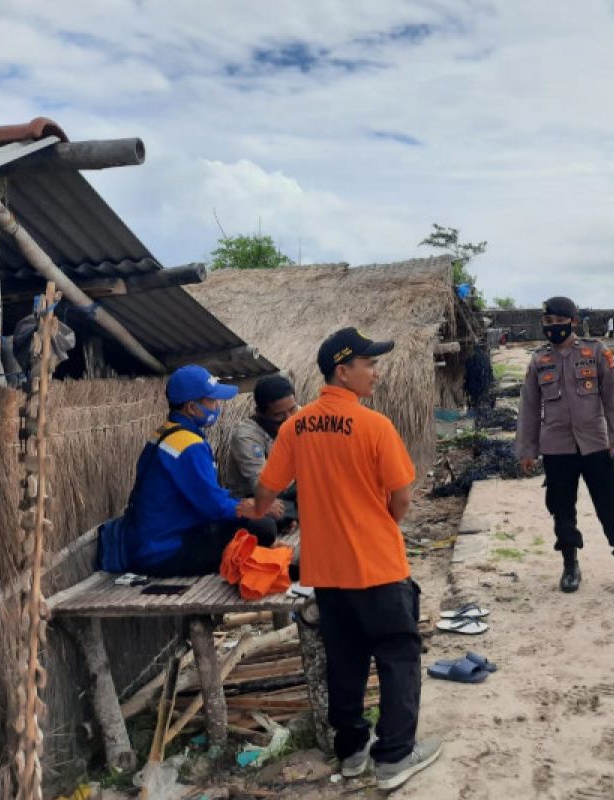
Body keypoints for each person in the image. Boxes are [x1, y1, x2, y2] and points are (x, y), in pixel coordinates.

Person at [254, 328, 441, 791]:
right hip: (377, 565)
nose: (376, 372)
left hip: (327, 571)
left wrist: (255, 512)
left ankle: (353, 751)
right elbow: (401, 497)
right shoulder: (374, 426)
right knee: (399, 656)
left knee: (346, 661)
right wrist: (381, 523)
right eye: (369, 364)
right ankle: (396, 756)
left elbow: (265, 492)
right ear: (344, 369)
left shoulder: (294, 427)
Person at [515, 296, 614, 596]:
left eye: (560, 322)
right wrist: (527, 449)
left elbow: (613, 396)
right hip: (557, 448)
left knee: (613, 507)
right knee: (562, 510)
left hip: (596, 444)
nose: (554, 328)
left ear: (573, 321)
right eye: (549, 323)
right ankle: (570, 565)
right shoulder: (538, 360)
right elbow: (529, 408)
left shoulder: (595, 351)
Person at [98, 365, 279, 577]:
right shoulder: (189, 445)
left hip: (149, 543)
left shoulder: (165, 432)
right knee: (263, 527)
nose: (217, 406)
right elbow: (215, 508)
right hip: (165, 553)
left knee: (259, 517)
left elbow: (208, 497)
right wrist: (257, 507)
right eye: (212, 401)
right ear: (192, 408)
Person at [222, 374, 300, 530]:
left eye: (293, 409)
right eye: (279, 415)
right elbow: (261, 486)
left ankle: (294, 514)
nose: (289, 419)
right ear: (260, 412)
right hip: (257, 495)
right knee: (265, 523)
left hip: (290, 489)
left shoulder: (301, 416)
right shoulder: (246, 436)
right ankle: (295, 514)